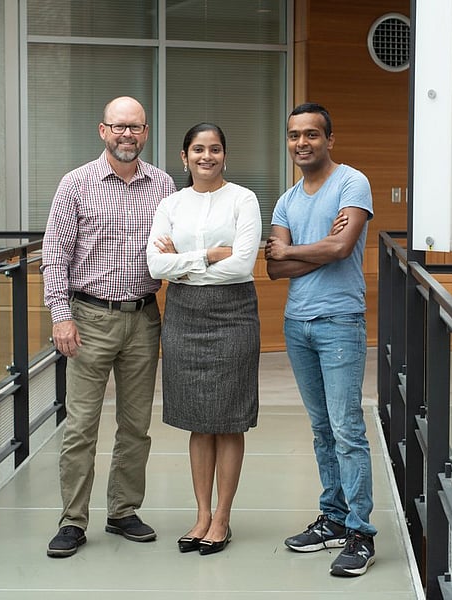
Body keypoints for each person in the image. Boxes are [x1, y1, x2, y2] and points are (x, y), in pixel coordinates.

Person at [41, 96, 176, 558]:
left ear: (145, 132)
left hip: (144, 317)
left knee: (136, 426)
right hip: (89, 319)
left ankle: (122, 511)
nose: (127, 135)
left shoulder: (163, 184)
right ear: (103, 131)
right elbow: (54, 256)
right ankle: (72, 521)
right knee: (81, 426)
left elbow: (174, 248)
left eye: (135, 128)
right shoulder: (75, 184)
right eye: (119, 127)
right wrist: (60, 315)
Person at [265, 102, 377, 577]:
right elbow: (274, 267)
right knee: (321, 430)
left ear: (329, 139)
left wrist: (297, 250)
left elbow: (342, 246)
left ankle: (360, 533)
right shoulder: (286, 199)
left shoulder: (352, 183)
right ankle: (331, 517)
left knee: (348, 430)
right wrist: (314, 251)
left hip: (340, 322)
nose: (302, 143)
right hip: (298, 324)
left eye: (312, 135)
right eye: (294, 135)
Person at [146, 123, 261, 556]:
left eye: (214, 149)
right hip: (183, 316)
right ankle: (200, 515)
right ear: (184, 156)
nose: (206, 156)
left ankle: (223, 517)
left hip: (234, 313)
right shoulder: (171, 203)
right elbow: (155, 266)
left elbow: (243, 264)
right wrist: (210, 255)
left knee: (228, 418)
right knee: (198, 419)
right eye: (198, 149)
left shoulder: (243, 199)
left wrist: (183, 262)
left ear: (224, 155)